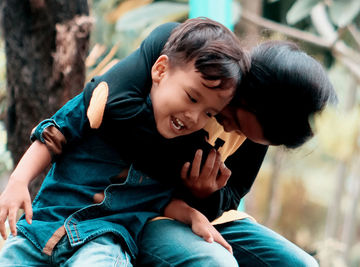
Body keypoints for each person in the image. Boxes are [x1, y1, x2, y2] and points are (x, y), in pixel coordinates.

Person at [0, 18, 249, 266]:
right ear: (160, 70)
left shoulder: (182, 150)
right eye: (192, 97)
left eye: (209, 114)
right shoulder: (105, 105)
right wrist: (18, 181)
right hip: (41, 228)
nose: (194, 117)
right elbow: (54, 134)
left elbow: (158, 201)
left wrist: (193, 215)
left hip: (103, 242)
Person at [137, 40, 338, 266]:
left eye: (246, 134)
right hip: (149, 210)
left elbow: (233, 194)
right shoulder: (194, 84)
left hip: (212, 218)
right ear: (246, 89)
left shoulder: (259, 131)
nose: (232, 131)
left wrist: (206, 194)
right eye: (237, 122)